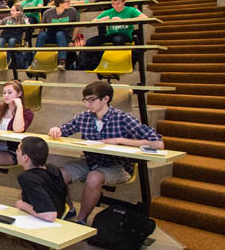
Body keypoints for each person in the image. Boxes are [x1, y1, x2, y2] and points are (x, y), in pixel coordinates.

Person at [49, 81, 163, 224]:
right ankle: (70, 208)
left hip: (117, 166)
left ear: (105, 99)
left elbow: (157, 143)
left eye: (92, 100)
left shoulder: (123, 118)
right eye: (86, 100)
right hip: (90, 162)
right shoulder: (84, 117)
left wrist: (120, 140)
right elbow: (64, 130)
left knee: (94, 177)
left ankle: (81, 221)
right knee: (56, 174)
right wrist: (56, 130)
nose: (88, 104)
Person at [36, 0, 80, 69]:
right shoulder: (47, 13)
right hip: (51, 35)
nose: (70, 3)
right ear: (60, 3)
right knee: (42, 35)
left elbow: (77, 26)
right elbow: (42, 27)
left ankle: (62, 62)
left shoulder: (72, 11)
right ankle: (36, 60)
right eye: (67, 1)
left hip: (65, 36)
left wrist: (72, 40)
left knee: (60, 34)